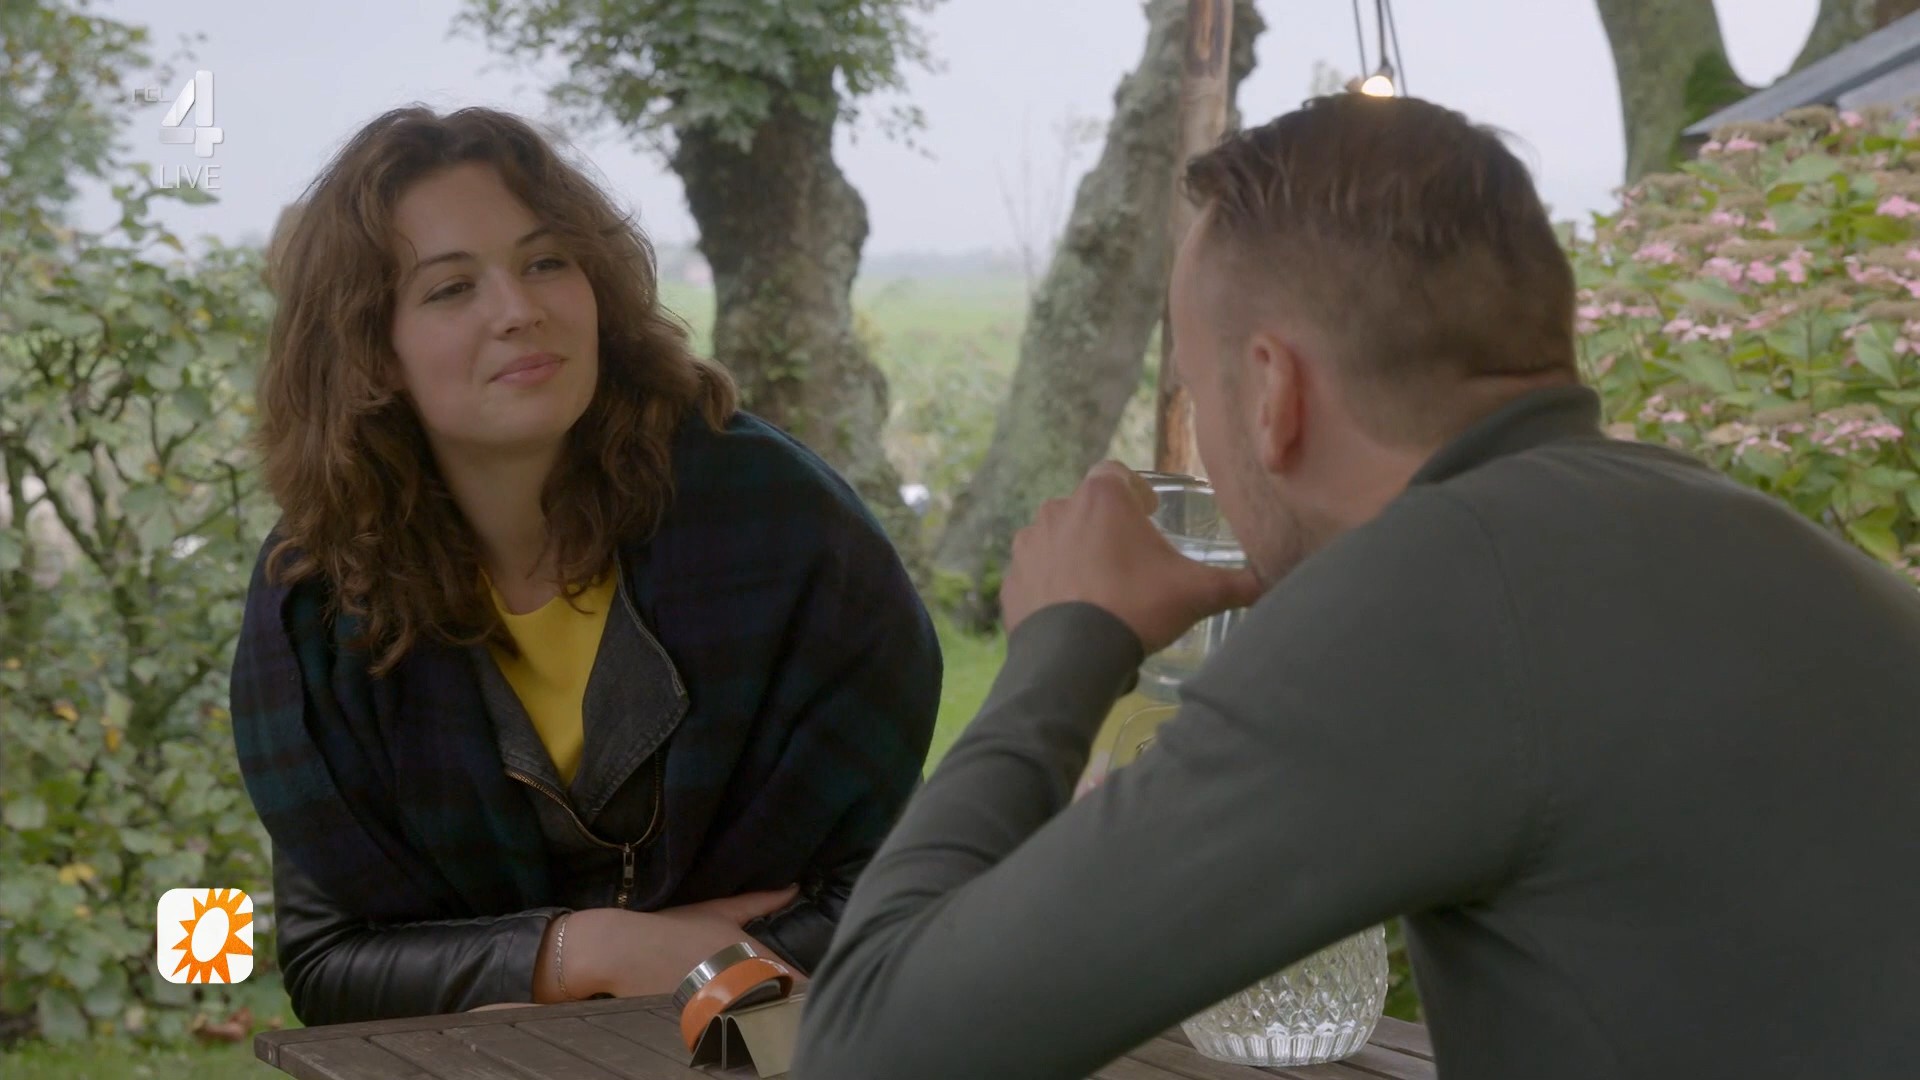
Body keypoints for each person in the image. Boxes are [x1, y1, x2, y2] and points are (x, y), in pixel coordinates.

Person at [792, 94, 1920, 1080]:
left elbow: (872, 1050)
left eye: (1198, 393)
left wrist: (1065, 638)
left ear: (1271, 393)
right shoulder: (1731, 534)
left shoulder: (1440, 594)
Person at [228, 105, 941, 1025]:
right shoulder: (321, 596)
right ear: (374, 353)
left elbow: (895, 894)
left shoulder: (781, 525)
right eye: (451, 288)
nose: (519, 310)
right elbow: (331, 961)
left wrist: (674, 978)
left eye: (546, 262)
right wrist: (584, 952)